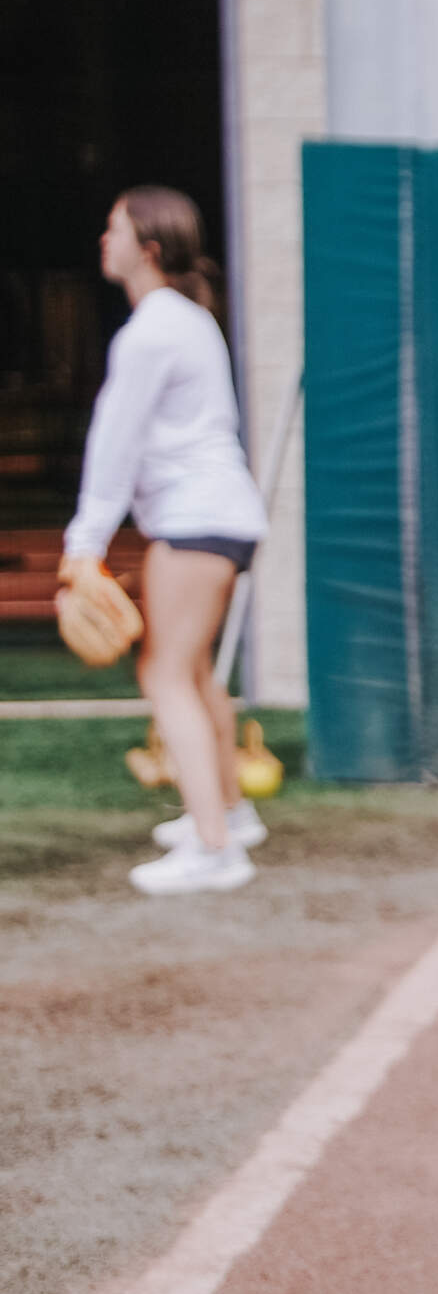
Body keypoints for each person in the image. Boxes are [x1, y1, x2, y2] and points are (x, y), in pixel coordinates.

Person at [65, 186, 270, 895]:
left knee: (165, 674)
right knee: (195, 672)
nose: (105, 239)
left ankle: (215, 849)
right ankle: (231, 817)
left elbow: (114, 444)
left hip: (195, 520)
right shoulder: (187, 319)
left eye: (114, 228)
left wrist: (84, 544)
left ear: (148, 249)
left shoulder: (152, 330)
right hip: (221, 517)